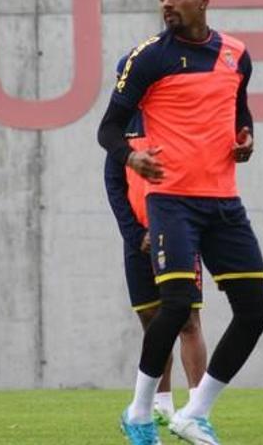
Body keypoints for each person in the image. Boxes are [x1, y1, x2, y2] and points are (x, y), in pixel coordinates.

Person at [98, 0, 263, 445]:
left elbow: (240, 111)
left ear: (203, 0)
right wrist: (132, 157)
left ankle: (195, 412)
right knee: (175, 306)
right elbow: (108, 129)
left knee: (256, 309)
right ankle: (138, 411)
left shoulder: (237, 55)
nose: (167, 3)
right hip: (171, 201)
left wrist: (246, 137)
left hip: (223, 202)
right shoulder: (147, 58)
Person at [103, 56, 207, 426]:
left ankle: (197, 406)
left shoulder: (170, 117)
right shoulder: (121, 129)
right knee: (151, 320)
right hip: (138, 239)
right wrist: (135, 234)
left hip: (177, 234)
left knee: (188, 320)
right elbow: (115, 186)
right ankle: (160, 401)